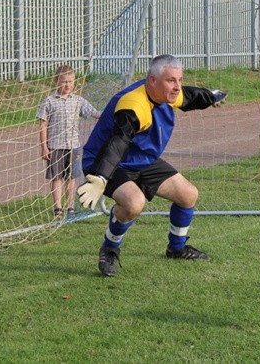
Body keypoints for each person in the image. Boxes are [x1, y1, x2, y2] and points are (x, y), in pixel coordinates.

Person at [76, 54, 227, 277]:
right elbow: (117, 144)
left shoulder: (167, 94)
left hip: (141, 159)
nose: (177, 87)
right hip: (106, 162)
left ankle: (176, 249)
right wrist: (100, 177)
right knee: (133, 204)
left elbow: (189, 97)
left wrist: (209, 97)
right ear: (152, 80)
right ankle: (110, 247)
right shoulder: (133, 105)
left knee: (188, 194)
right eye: (171, 81)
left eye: (179, 79)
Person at [37, 65, 101, 217]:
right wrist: (44, 147)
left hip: (73, 146)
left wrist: (112, 113)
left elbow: (93, 113)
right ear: (56, 81)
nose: (67, 85)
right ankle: (58, 207)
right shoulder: (49, 101)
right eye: (64, 81)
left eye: (70, 82)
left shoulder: (78, 101)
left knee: (71, 177)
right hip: (55, 146)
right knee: (57, 177)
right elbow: (43, 125)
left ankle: (70, 206)